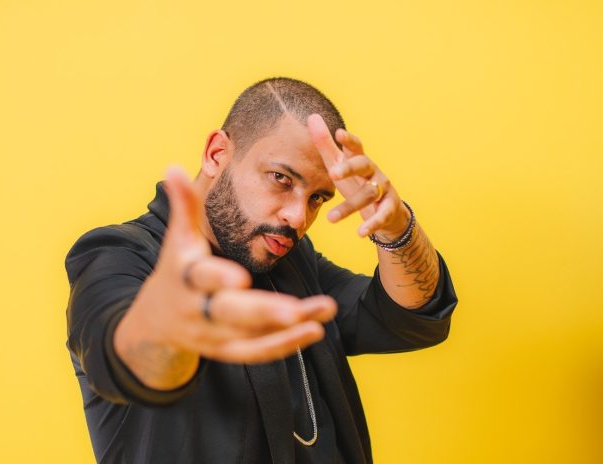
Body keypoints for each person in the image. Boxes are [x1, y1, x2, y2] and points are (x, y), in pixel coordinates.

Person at [64, 77, 458, 463]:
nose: (297, 217)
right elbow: (122, 355)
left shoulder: (292, 261)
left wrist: (396, 229)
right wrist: (170, 326)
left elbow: (404, 317)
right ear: (217, 154)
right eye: (281, 179)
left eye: (317, 198)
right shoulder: (115, 254)